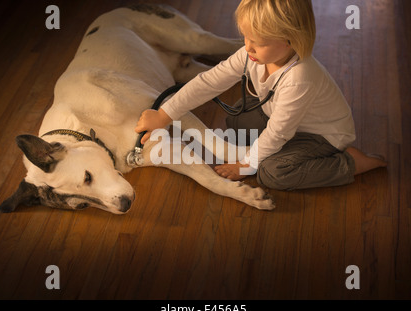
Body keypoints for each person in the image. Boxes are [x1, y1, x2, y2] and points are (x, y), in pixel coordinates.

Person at [135, 0, 386, 191]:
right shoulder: (251, 54)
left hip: (321, 135)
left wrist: (246, 165)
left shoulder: (300, 78)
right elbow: (209, 81)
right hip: (282, 118)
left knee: (272, 173)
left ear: (290, 40)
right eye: (246, 37)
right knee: (236, 120)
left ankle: (351, 163)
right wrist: (164, 114)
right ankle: (268, 152)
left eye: (259, 42)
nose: (248, 47)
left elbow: (278, 132)